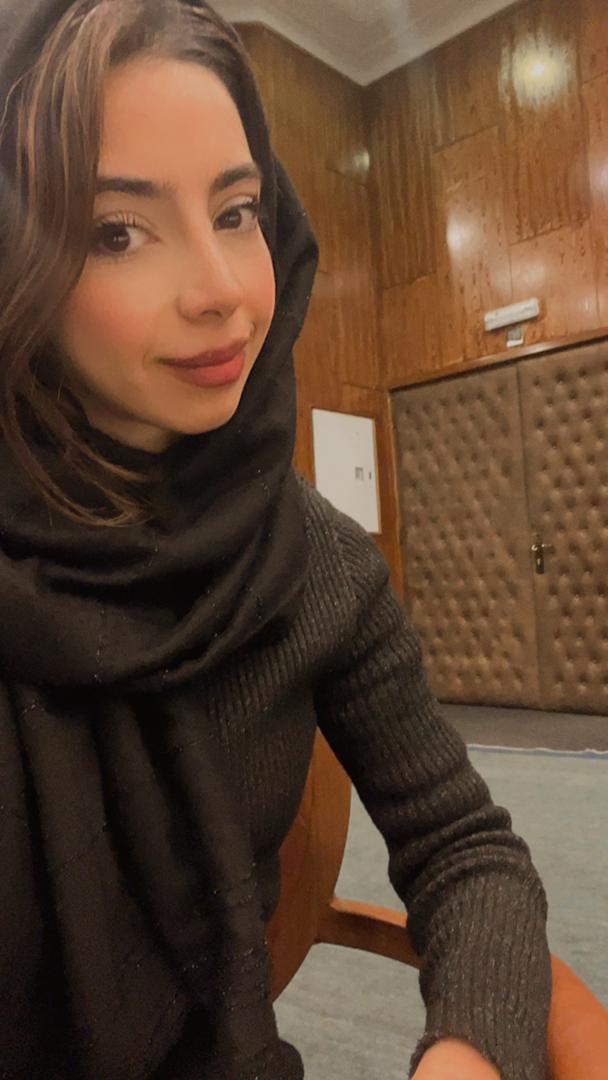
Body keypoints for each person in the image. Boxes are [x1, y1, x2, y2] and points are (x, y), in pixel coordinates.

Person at [0, 2, 552, 1078]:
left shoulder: (316, 562)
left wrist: (469, 1055)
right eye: (117, 231)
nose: (220, 292)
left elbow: (466, 849)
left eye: (237, 211)